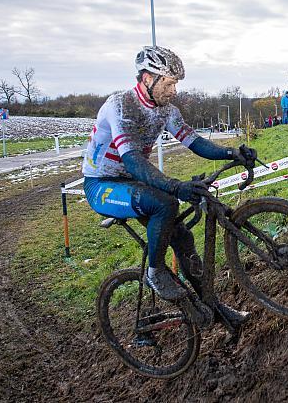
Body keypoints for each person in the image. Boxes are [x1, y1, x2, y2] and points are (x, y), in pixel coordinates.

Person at [83, 46, 256, 315]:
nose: (173, 91)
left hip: (133, 181)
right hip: (101, 184)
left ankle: (213, 308)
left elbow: (194, 142)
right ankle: (154, 272)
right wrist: (175, 187)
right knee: (165, 203)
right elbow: (132, 161)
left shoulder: (167, 111)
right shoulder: (121, 105)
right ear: (147, 79)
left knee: (183, 239)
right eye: (168, 83)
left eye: (175, 84)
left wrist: (232, 153)